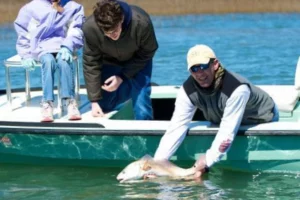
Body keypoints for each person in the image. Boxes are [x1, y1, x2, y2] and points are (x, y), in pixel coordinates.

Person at [153, 44, 279, 178]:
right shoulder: (187, 90)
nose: (199, 73)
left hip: (262, 118)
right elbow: (177, 127)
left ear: (215, 64)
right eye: (194, 69)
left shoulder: (236, 88)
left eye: (203, 66)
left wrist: (206, 161)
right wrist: (157, 164)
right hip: (222, 117)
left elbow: (227, 131)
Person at [82, 0, 158, 120]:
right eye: (107, 33)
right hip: (108, 61)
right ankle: (129, 88)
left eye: (115, 30)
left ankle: (136, 90)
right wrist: (94, 101)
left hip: (138, 60)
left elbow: (148, 51)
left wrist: (122, 77)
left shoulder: (141, 22)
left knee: (142, 107)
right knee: (104, 106)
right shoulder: (90, 28)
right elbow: (91, 63)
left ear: (121, 19)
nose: (112, 35)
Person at [14, 0, 84, 122]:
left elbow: (76, 30)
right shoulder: (30, 8)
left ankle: (70, 102)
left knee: (64, 61)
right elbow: (23, 33)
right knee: (48, 61)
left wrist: (67, 46)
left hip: (64, 46)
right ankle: (47, 103)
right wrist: (26, 55)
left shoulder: (74, 7)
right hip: (41, 48)